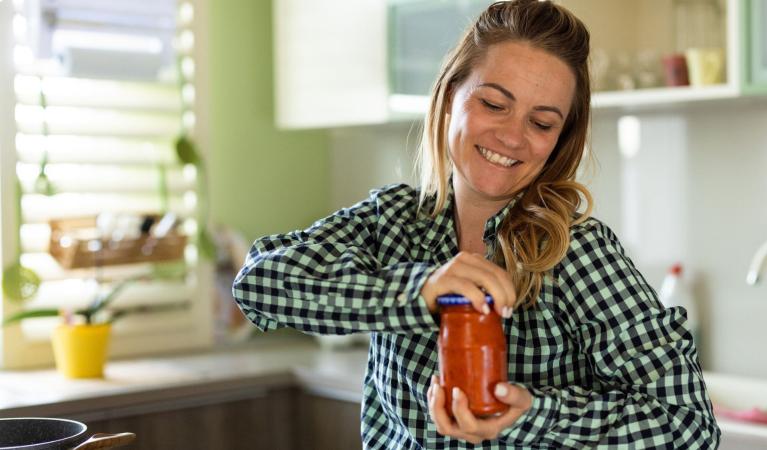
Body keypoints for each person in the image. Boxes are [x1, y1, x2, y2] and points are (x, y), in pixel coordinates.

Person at [233, 0, 720, 448]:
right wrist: (415, 291)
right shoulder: (394, 224)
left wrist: (533, 414)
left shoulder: (576, 253)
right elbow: (258, 285)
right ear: (449, 98)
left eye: (542, 122)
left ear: (559, 140)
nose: (512, 136)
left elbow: (689, 427)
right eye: (493, 103)